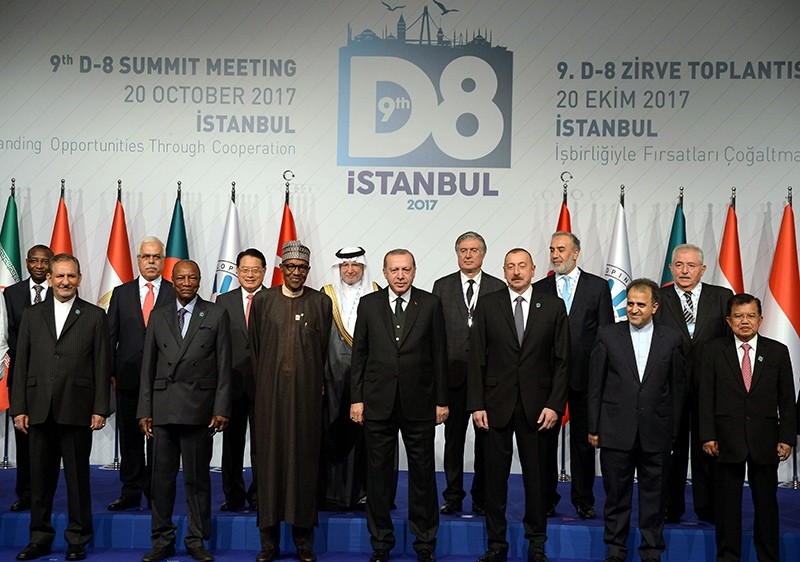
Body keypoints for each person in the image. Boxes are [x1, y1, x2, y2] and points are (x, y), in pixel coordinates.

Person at [467, 248, 570, 562]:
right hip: (495, 406)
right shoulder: (488, 304)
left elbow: (563, 360)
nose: (516, 272)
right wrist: (476, 405)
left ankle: (536, 543)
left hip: (538, 408)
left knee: (537, 480)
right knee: (494, 481)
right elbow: (476, 359)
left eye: (521, 266)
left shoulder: (553, 306)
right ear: (503, 269)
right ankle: (496, 544)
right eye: (510, 266)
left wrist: (555, 404)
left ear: (533, 269)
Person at [10, 254, 112, 562]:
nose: (65, 281)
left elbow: (102, 364)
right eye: (60, 276)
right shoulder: (31, 314)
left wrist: (100, 408)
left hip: (78, 409)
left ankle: (77, 539)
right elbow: (22, 363)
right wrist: (19, 408)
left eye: (71, 276)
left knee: (78, 480)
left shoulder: (94, 315)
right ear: (51, 279)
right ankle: (39, 538)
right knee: (40, 480)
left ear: (79, 278)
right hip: (39, 409)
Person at [351, 249, 448, 562]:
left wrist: (441, 401)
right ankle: (381, 543)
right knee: (378, 477)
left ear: (415, 271)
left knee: (422, 476)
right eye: (394, 270)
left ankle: (424, 543)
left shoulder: (431, 304)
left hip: (419, 403)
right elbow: (360, 356)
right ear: (384, 271)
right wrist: (357, 398)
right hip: (378, 403)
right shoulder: (369, 304)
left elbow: (439, 356)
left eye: (406, 269)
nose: (400, 276)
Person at [137, 260, 232, 562]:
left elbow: (224, 367)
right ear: (173, 280)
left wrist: (221, 407)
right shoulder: (159, 314)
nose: (187, 282)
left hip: (199, 410)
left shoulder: (216, 314)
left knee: (197, 480)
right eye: (181, 278)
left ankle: (196, 539)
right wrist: (144, 410)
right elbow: (147, 366)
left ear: (200, 280)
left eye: (192, 277)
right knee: (160, 481)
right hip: (163, 409)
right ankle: (162, 539)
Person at [588, 278, 685, 562]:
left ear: (654, 306)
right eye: (630, 303)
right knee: (616, 496)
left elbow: (678, 389)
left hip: (657, 431)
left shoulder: (672, 338)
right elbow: (595, 385)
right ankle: (615, 550)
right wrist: (594, 428)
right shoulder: (607, 334)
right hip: (616, 430)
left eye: (641, 304)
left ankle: (651, 550)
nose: (633, 309)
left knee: (654, 497)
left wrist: (674, 430)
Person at [249, 240, 333, 562]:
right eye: (290, 267)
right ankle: (268, 542)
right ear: (281, 269)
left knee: (304, 465)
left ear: (308, 271)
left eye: (301, 268)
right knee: (269, 466)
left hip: (307, 401)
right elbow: (255, 350)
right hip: (269, 400)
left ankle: (303, 541)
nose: (296, 273)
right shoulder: (263, 301)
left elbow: (324, 351)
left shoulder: (320, 303)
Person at [699, 293, 796, 562]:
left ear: (760, 319)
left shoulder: (777, 351)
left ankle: (768, 557)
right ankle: (728, 557)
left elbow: (787, 398)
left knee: (766, 506)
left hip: (765, 440)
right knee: (727, 506)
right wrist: (707, 434)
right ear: (728, 320)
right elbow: (705, 396)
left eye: (751, 316)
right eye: (739, 316)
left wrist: (787, 437)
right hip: (725, 441)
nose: (745, 322)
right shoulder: (713, 350)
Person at [532, 231, 613, 519]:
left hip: (585, 377)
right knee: (545, 442)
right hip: (547, 379)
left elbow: (606, 335)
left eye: (562, 249)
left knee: (583, 442)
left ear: (576, 253)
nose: (555, 255)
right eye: (552, 249)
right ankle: (547, 499)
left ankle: (583, 499)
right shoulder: (539, 288)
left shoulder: (598, 287)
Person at [656, 243, 732, 523]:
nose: (684, 271)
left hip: (709, 390)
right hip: (668, 389)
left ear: (702, 269)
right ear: (670, 268)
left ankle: (708, 507)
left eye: (690, 266)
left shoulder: (723, 297)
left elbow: (728, 344)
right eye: (679, 265)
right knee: (670, 452)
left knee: (708, 450)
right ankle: (670, 507)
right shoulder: (658, 298)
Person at [433, 231, 505, 516]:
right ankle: (452, 496)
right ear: (457, 253)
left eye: (473, 250)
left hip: (488, 382)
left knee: (486, 443)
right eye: (463, 250)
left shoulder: (498, 288)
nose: (468, 255)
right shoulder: (442, 286)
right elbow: (436, 339)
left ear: (483, 254)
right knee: (453, 442)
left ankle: (481, 496)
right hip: (452, 379)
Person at [106, 236, 175, 511]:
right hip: (128, 378)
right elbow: (110, 337)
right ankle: (131, 491)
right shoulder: (121, 293)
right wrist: (111, 372)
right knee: (131, 438)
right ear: (137, 260)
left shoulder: (174, 292)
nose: (151, 261)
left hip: (164, 382)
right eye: (146, 256)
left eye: (156, 257)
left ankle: (156, 493)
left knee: (160, 441)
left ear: (163, 260)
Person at [320, 246, 380, 510]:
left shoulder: (378, 293)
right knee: (334, 432)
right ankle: (334, 494)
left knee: (367, 436)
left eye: (355, 265)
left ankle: (367, 493)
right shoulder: (326, 295)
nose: (350, 270)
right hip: (333, 377)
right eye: (345, 266)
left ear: (364, 268)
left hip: (371, 378)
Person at [215, 248, 266, 512]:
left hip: (265, 387)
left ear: (264, 272)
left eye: (255, 270)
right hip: (231, 386)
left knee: (262, 446)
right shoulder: (223, 301)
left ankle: (259, 495)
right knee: (231, 446)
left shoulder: (273, 298)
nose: (249, 274)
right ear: (236, 271)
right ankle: (233, 495)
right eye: (244, 270)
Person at [4, 244, 53, 513]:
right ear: (26, 262)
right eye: (34, 261)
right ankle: (25, 493)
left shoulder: (60, 291)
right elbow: (7, 332)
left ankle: (46, 491)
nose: (38, 266)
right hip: (21, 374)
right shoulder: (11, 294)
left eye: (44, 262)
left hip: (52, 375)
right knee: (23, 437)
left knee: (48, 435)